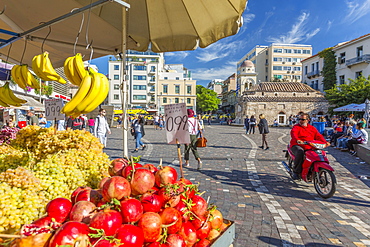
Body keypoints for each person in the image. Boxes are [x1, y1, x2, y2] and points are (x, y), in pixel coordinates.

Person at [290, 113, 329, 180]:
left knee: (319, 153)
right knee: (300, 152)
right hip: (297, 145)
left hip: (310, 145)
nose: (300, 121)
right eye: (299, 119)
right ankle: (296, 172)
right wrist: (298, 140)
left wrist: (325, 142)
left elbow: (318, 136)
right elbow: (294, 134)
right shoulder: (296, 127)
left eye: (302, 119)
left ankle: (314, 168)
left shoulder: (312, 128)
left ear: (308, 120)